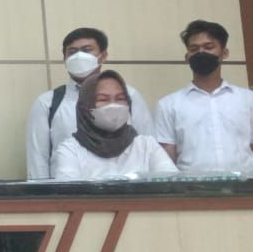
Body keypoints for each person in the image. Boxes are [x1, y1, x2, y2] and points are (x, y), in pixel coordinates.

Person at [25, 27, 154, 180]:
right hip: (68, 190)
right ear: (64, 59)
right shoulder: (48, 103)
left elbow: (148, 147)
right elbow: (38, 159)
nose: (79, 56)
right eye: (72, 52)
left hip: (127, 189)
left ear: (103, 56)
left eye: (87, 50)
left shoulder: (129, 96)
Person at [154, 19, 253, 178]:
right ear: (187, 57)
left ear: (224, 53)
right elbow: (167, 160)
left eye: (209, 47)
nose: (201, 53)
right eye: (194, 49)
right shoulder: (168, 105)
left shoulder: (250, 100)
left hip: (244, 188)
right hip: (192, 190)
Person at [51, 71, 179, 180]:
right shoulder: (70, 150)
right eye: (103, 99)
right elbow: (70, 195)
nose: (113, 105)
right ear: (85, 107)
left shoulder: (147, 146)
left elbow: (171, 185)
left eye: (120, 98)